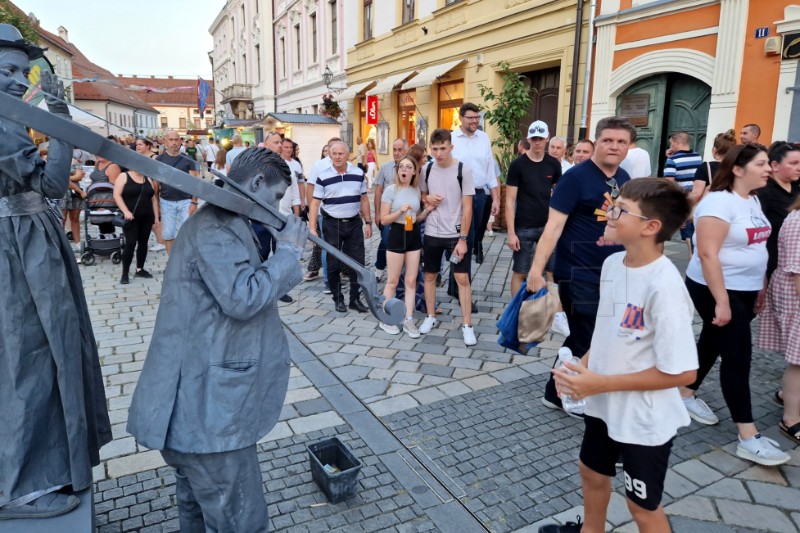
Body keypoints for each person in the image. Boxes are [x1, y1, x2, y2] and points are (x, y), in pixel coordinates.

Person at [127, 149, 305, 532]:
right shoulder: (215, 227)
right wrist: (289, 251)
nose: (277, 209)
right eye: (275, 197)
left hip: (204, 411)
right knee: (241, 520)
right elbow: (242, 297)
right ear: (256, 184)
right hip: (209, 415)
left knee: (201, 511)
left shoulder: (226, 220)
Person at [538, 178, 698, 533]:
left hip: (644, 419)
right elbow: (609, 332)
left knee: (642, 507)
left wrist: (600, 383)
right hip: (604, 403)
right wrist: (581, 366)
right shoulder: (613, 264)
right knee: (592, 472)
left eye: (620, 209)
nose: (607, 212)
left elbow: (684, 373)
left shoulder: (665, 287)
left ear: (650, 227)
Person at [0, 26, 111, 519]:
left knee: (31, 353)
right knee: (34, 355)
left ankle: (36, 469)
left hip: (23, 239)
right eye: (7, 71)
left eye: (22, 72)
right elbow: (52, 186)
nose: (17, 81)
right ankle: (26, 483)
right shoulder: (3, 122)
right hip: (20, 243)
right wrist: (60, 114)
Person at [680, 143, 790, 466]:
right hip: (714, 288)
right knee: (738, 356)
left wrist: (761, 286)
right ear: (738, 170)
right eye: (761, 164)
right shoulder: (717, 202)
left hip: (744, 288)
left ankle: (684, 392)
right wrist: (722, 302)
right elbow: (707, 253)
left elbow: (758, 246)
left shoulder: (752, 199)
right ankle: (748, 436)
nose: (768, 168)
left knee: (713, 342)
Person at [526, 116, 634, 416]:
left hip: (612, 270)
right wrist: (536, 271)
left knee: (584, 336)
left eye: (621, 141)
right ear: (596, 142)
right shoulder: (575, 178)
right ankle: (575, 395)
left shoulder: (624, 178)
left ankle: (554, 391)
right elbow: (553, 228)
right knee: (590, 338)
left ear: (629, 147)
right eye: (608, 140)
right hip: (578, 271)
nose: (614, 146)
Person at [419, 128, 477, 345]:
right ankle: (430, 316)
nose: (439, 153)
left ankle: (467, 325)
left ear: (451, 147)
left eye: (443, 148)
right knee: (430, 276)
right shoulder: (427, 168)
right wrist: (428, 198)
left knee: (462, 278)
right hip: (432, 231)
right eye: (434, 149)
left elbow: (468, 207)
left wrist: (463, 239)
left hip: (455, 233)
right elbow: (422, 195)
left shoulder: (463, 169)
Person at [308, 141, 372, 312]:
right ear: (330, 155)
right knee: (333, 263)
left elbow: (364, 199)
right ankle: (338, 299)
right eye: (334, 153)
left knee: (358, 263)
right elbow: (315, 203)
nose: (337, 157)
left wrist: (368, 222)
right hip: (331, 224)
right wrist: (312, 228)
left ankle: (355, 299)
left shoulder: (358, 174)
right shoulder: (323, 176)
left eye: (340, 154)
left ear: (347, 154)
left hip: (353, 223)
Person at [757, 194, 800, 444]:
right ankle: (790, 419)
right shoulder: (797, 220)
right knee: (798, 361)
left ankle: (788, 395)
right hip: (794, 296)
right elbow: (797, 273)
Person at [506, 120, 562, 297]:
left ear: (547, 138)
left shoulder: (553, 164)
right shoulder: (517, 165)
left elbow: (559, 196)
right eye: (534, 138)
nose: (537, 142)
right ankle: (516, 311)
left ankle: (554, 311)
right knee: (520, 271)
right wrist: (511, 232)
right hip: (523, 226)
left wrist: (557, 226)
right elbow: (509, 201)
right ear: (528, 139)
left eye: (541, 138)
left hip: (547, 227)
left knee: (552, 271)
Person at [379, 156, 430, 336]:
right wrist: (398, 212)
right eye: (402, 167)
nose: (405, 170)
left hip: (413, 235)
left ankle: (409, 320)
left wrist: (427, 210)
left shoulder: (416, 190)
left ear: (414, 172)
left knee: (411, 280)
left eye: (409, 167)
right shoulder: (390, 190)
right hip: (396, 235)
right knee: (392, 281)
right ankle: (386, 318)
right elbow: (383, 220)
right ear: (398, 170)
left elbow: (417, 217)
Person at [451, 102, 500, 265]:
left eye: (477, 117)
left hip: (478, 196)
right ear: (461, 118)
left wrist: (496, 197)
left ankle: (460, 282)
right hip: (457, 196)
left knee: (472, 238)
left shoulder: (484, 138)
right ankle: (457, 283)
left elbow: (490, 171)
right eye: (470, 118)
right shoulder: (451, 138)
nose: (475, 121)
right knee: (459, 237)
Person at [758, 141, 800, 280]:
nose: (799, 168)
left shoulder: (796, 189)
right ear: (775, 165)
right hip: (772, 266)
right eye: (793, 163)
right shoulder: (764, 192)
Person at [113, 167, 159, 284]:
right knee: (131, 243)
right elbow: (117, 195)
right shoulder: (124, 176)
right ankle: (125, 273)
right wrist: (125, 211)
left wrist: (156, 217)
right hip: (131, 218)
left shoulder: (147, 179)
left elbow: (153, 199)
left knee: (143, 243)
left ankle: (140, 269)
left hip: (147, 217)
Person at [156, 131, 199, 254]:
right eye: (171, 140)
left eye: (176, 140)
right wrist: (157, 204)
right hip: (166, 200)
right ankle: (171, 264)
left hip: (185, 201)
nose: (174, 143)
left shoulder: (187, 159)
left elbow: (195, 182)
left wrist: (194, 202)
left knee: (188, 232)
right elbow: (156, 184)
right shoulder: (160, 159)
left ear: (180, 141)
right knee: (168, 233)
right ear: (165, 141)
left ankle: (187, 262)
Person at [664, 131, 703, 257]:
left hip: (682, 200)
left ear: (677, 142)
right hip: (697, 198)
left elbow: (669, 184)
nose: (670, 147)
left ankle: (692, 257)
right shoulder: (698, 156)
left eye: (671, 144)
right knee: (694, 230)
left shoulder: (673, 160)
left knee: (685, 231)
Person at [374, 138, 408, 278]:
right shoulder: (385, 167)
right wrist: (377, 213)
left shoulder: (412, 168)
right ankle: (379, 268)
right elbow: (378, 191)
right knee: (386, 240)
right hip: (388, 213)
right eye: (394, 149)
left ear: (406, 150)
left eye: (400, 149)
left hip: (406, 214)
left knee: (405, 242)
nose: (396, 153)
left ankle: (402, 270)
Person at [688, 129, 737, 205]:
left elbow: (696, 194)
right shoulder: (737, 169)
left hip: (711, 209)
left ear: (714, 150)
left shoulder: (705, 167)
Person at [63, 159, 86, 251]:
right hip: (62, 193)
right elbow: (57, 177)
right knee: (62, 219)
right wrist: (71, 177)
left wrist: (65, 178)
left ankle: (78, 243)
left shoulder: (75, 161)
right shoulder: (55, 159)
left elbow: (79, 176)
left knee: (75, 218)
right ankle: (61, 243)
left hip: (75, 193)